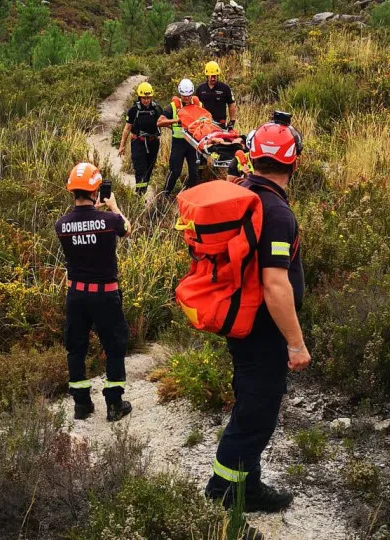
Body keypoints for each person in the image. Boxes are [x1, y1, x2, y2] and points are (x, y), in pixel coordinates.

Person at [204, 121, 309, 513]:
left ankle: (248, 484)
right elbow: (275, 285)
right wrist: (296, 343)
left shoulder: (244, 190)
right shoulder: (277, 212)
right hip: (263, 329)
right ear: (293, 163)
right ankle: (224, 492)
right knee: (255, 415)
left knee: (252, 402)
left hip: (242, 320)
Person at [55, 162, 133, 422]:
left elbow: (82, 226)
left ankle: (81, 404)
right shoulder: (110, 220)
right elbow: (126, 228)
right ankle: (114, 404)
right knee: (114, 347)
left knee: (76, 348)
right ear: (95, 191)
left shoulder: (61, 225)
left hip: (76, 296)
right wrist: (112, 206)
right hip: (105, 295)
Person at [157, 78, 202, 196]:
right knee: (175, 171)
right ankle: (164, 195)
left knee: (194, 172)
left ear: (192, 93)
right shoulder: (172, 106)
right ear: (180, 93)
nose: (186, 98)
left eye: (188, 95)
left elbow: (205, 118)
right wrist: (175, 121)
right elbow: (160, 122)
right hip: (179, 143)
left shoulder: (198, 104)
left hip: (193, 142)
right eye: (184, 95)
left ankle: (190, 195)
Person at [118, 82, 162, 195]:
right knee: (140, 170)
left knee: (148, 170)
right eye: (144, 98)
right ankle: (139, 194)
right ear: (139, 97)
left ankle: (143, 190)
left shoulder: (157, 109)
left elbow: (164, 122)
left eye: (148, 98)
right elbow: (127, 128)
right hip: (138, 143)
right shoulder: (133, 111)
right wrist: (122, 145)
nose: (146, 100)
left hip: (153, 143)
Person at [196, 61, 237, 128]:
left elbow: (231, 104)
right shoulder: (200, 89)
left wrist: (232, 120)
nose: (213, 78)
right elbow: (196, 106)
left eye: (215, 76)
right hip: (205, 123)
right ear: (207, 75)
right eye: (211, 76)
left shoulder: (225, 88)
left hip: (220, 123)